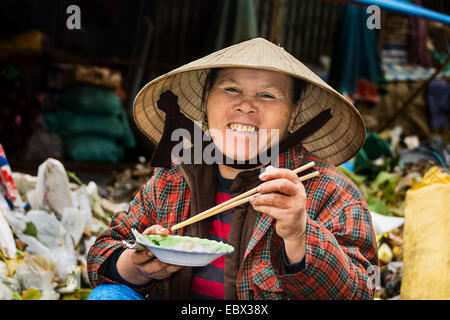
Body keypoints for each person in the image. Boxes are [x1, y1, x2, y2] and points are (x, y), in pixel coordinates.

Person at [87, 38, 378, 300]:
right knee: (108, 296)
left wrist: (299, 236)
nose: (246, 105)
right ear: (205, 102)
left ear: (294, 114)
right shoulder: (174, 176)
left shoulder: (329, 190)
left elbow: (360, 293)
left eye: (268, 95)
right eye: (231, 89)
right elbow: (101, 255)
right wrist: (136, 266)